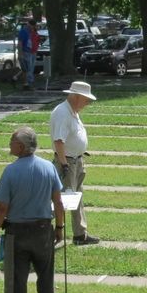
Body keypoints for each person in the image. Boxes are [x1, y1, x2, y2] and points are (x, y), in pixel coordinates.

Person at [0, 125, 64, 293]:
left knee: (16, 282)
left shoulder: (11, 171)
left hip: (17, 233)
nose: (9, 144)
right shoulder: (49, 168)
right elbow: (57, 202)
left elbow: (2, 207)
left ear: (20, 147)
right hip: (43, 230)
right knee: (45, 279)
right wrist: (59, 227)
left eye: (12, 140)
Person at [49, 80, 100, 246]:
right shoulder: (63, 113)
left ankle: (80, 234)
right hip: (68, 163)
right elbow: (58, 141)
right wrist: (64, 164)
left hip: (76, 161)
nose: (87, 103)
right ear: (76, 97)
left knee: (76, 198)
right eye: (86, 100)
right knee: (62, 200)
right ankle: (50, 231)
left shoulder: (72, 111)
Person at [17, 19, 40, 89]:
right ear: (29, 25)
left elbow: (35, 41)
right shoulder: (23, 31)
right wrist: (20, 54)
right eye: (32, 26)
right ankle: (28, 84)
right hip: (26, 52)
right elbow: (20, 43)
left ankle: (27, 83)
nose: (33, 27)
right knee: (28, 68)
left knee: (31, 68)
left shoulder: (33, 31)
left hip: (32, 52)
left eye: (34, 26)